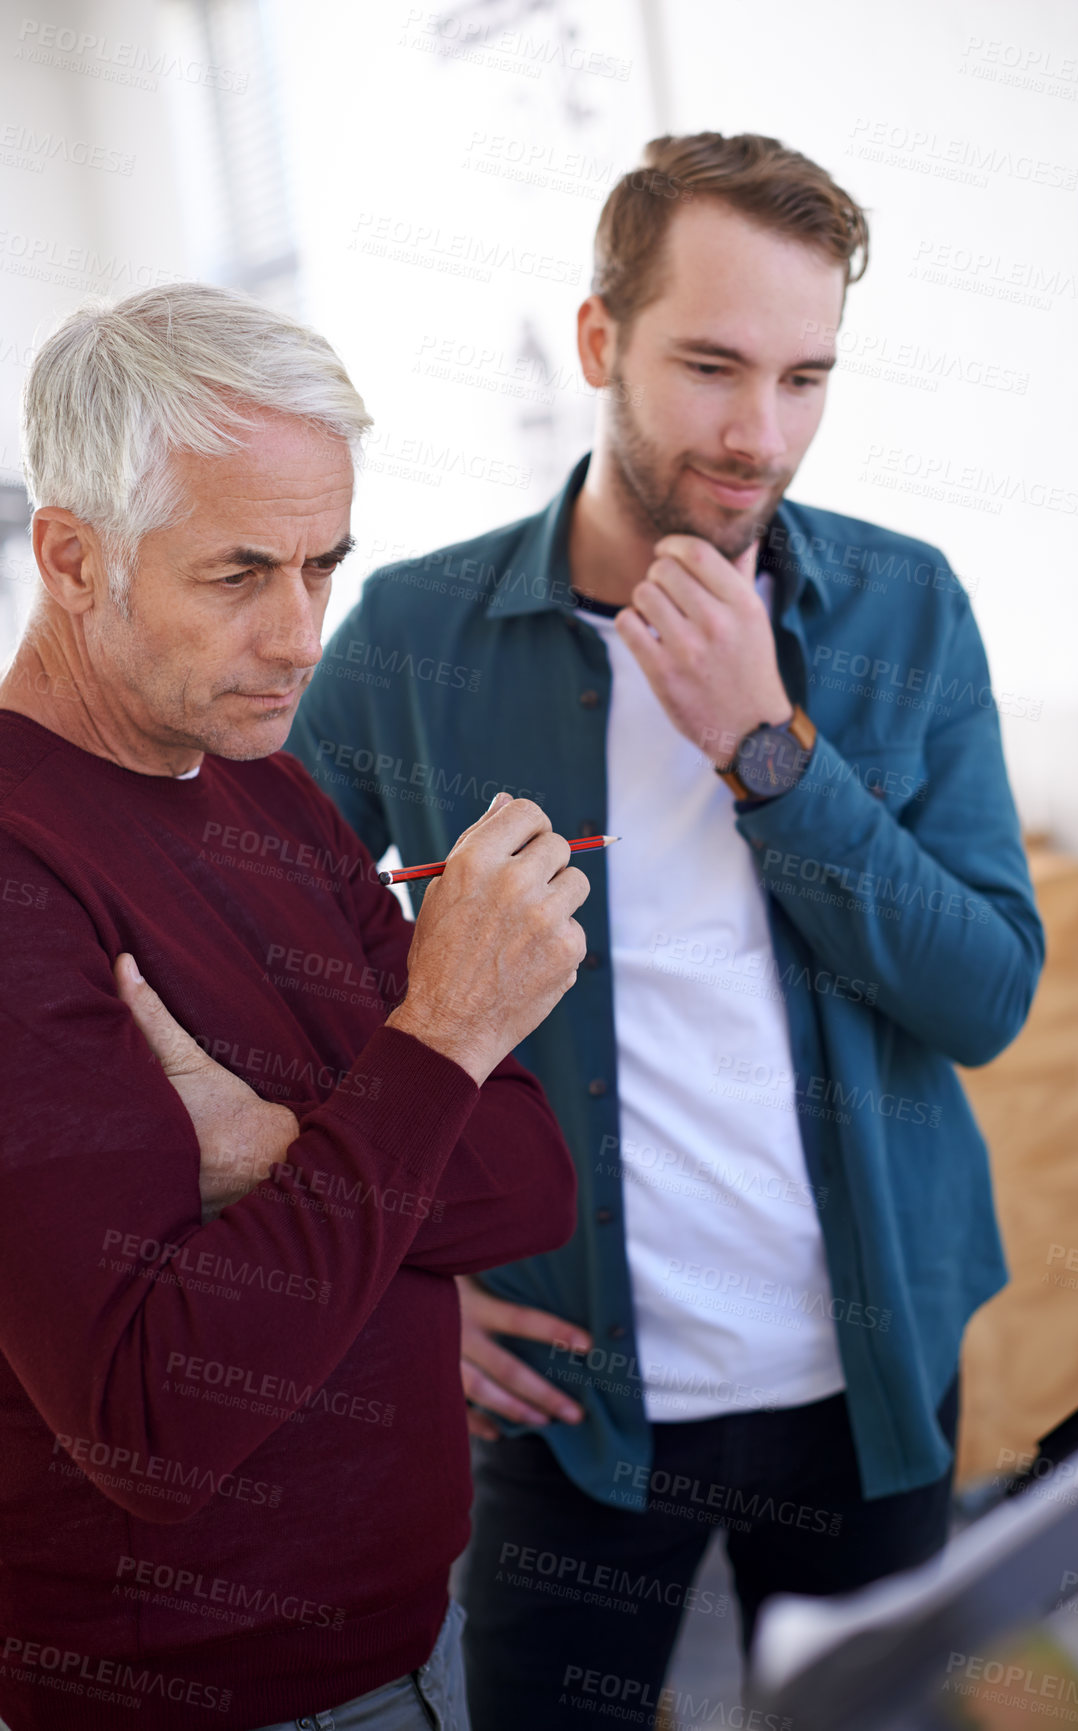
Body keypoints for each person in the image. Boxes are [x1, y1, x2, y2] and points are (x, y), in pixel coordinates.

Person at [287, 132, 1046, 1727]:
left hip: (874, 1388)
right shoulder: (418, 636)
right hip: (568, 1410)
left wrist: (770, 752)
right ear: (598, 343)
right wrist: (395, 1287)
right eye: (710, 365)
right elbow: (252, 968)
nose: (757, 434)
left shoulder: (908, 611)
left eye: (803, 377)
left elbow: (988, 995)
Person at [0, 283, 589, 1731]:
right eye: (239, 574)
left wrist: (276, 1154)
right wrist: (441, 1035)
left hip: (408, 1643)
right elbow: (154, 1422)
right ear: (72, 557)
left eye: (324, 566)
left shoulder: (263, 779)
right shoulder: (20, 868)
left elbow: (526, 1185)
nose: (300, 635)